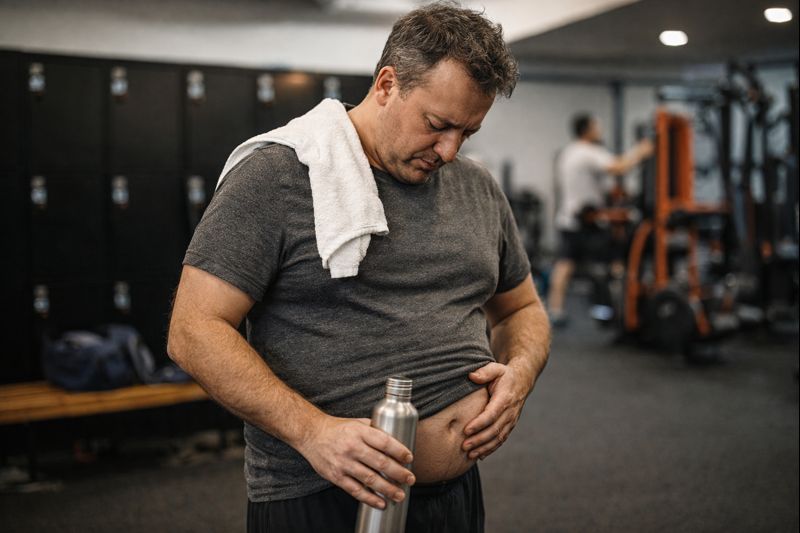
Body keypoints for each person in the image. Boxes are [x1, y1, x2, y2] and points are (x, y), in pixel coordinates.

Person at [167, 3, 550, 532]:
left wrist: (520, 373)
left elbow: (522, 308)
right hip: (321, 490)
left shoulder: (478, 188)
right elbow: (193, 331)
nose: (449, 150)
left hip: (455, 497)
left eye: (468, 133)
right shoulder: (277, 176)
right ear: (387, 84)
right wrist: (313, 432)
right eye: (437, 125)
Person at [546, 113, 653, 327]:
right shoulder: (588, 152)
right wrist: (641, 150)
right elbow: (619, 166)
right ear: (587, 130)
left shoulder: (569, 152)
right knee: (613, 263)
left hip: (569, 218)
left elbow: (601, 184)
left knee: (565, 265)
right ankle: (616, 309)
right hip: (587, 220)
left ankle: (555, 311)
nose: (600, 129)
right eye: (597, 126)